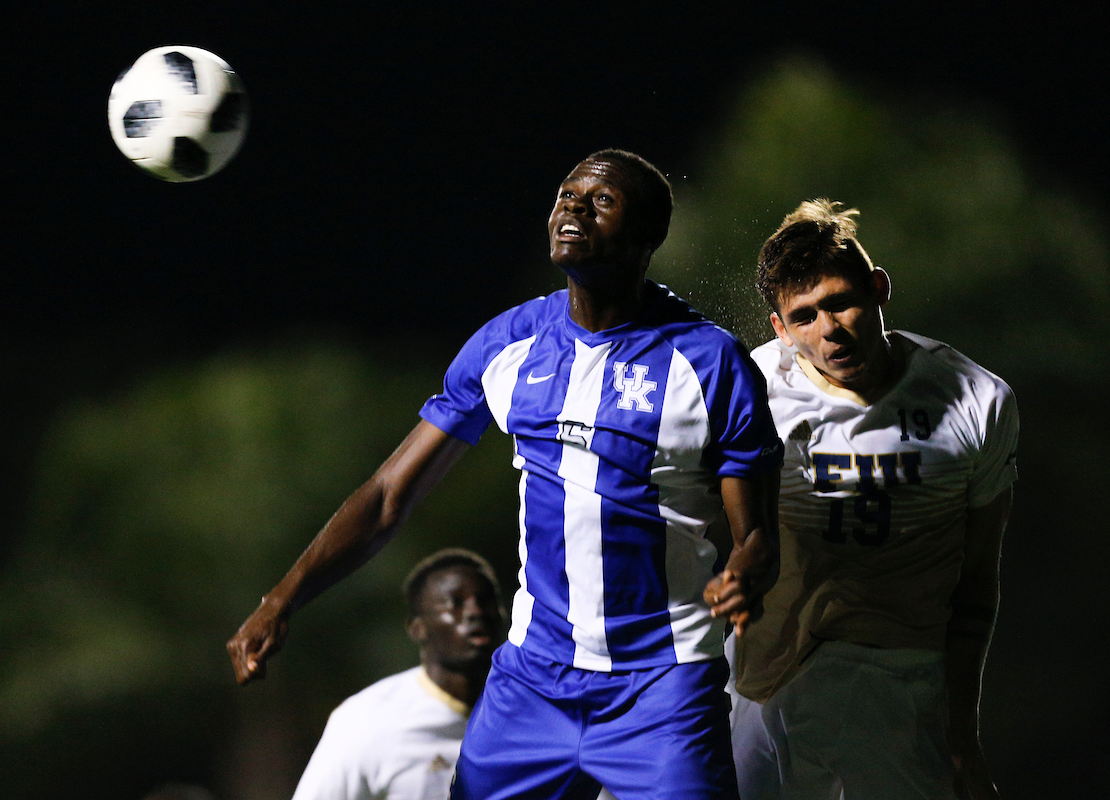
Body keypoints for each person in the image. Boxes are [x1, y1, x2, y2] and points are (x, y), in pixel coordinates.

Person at [228, 149, 784, 800]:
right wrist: (281, 598)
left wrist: (745, 573)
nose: (573, 207)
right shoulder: (509, 343)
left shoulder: (711, 362)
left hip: (660, 688)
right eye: (566, 195)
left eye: (601, 200)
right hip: (532, 685)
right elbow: (386, 498)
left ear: (648, 235)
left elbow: (759, 540)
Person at [728, 199, 1018, 800]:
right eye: (804, 316)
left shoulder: (976, 400)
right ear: (779, 330)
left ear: (879, 288)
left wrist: (962, 738)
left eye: (840, 301)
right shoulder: (749, 395)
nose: (829, 329)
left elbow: (976, 587)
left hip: (903, 691)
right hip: (769, 685)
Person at [290, 548, 504, 800]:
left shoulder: (530, 712)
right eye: (454, 603)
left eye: (486, 601)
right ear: (418, 629)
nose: (475, 612)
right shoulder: (366, 721)